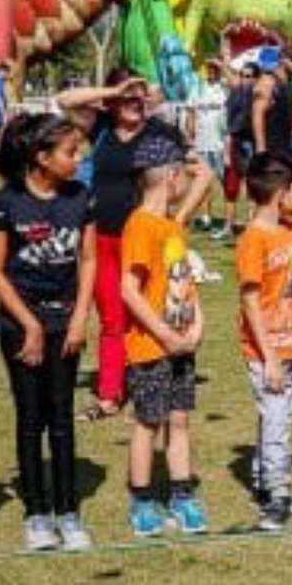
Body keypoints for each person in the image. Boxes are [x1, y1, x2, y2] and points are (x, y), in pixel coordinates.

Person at [57, 69, 210, 419]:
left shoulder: (162, 133)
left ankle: (156, 384)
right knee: (112, 319)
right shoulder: (100, 127)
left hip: (144, 239)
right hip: (103, 239)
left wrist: (180, 217)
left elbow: (204, 173)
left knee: (150, 311)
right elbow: (64, 101)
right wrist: (114, 90)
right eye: (127, 96)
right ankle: (111, 394)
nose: (134, 101)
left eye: (140, 95)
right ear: (111, 101)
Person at [0, 114, 97, 554]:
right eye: (70, 152)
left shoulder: (80, 197)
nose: (79, 158)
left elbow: (87, 260)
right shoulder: (6, 203)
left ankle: (69, 512)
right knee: (31, 418)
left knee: (62, 415)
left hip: (64, 321)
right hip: (20, 324)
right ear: (40, 158)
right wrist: (28, 325)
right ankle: (37, 513)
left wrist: (79, 316)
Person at [120, 128, 208, 536]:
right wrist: (163, 334)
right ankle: (141, 499)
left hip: (180, 345)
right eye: (184, 176)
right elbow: (129, 290)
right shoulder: (141, 225)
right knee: (148, 423)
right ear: (172, 176)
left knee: (180, 421)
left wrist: (196, 323)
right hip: (150, 347)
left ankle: (182, 494)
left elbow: (183, 282)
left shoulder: (173, 227)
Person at [236, 153, 292, 531]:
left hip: (291, 345)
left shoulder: (288, 232)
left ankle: (266, 485)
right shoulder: (254, 238)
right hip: (267, 350)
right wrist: (268, 356)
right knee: (275, 423)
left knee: (279, 417)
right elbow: (250, 301)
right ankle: (277, 497)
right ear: (282, 192)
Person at [186, 59, 228, 228]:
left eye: (215, 69)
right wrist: (190, 136)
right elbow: (190, 112)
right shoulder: (197, 88)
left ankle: (227, 218)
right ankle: (205, 216)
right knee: (202, 181)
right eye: (209, 68)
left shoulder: (225, 88)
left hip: (221, 144)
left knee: (226, 183)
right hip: (202, 143)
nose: (211, 71)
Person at [217, 62, 257, 239]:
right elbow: (227, 122)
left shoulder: (257, 95)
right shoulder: (234, 94)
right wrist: (227, 146)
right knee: (230, 186)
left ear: (256, 78)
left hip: (253, 143)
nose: (244, 79)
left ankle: (251, 226)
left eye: (248, 76)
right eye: (242, 75)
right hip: (235, 141)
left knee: (252, 186)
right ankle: (228, 226)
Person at [251, 45, 292, 158]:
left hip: (285, 145)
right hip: (271, 148)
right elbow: (257, 113)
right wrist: (261, 148)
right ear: (282, 60)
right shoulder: (268, 82)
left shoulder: (287, 83)